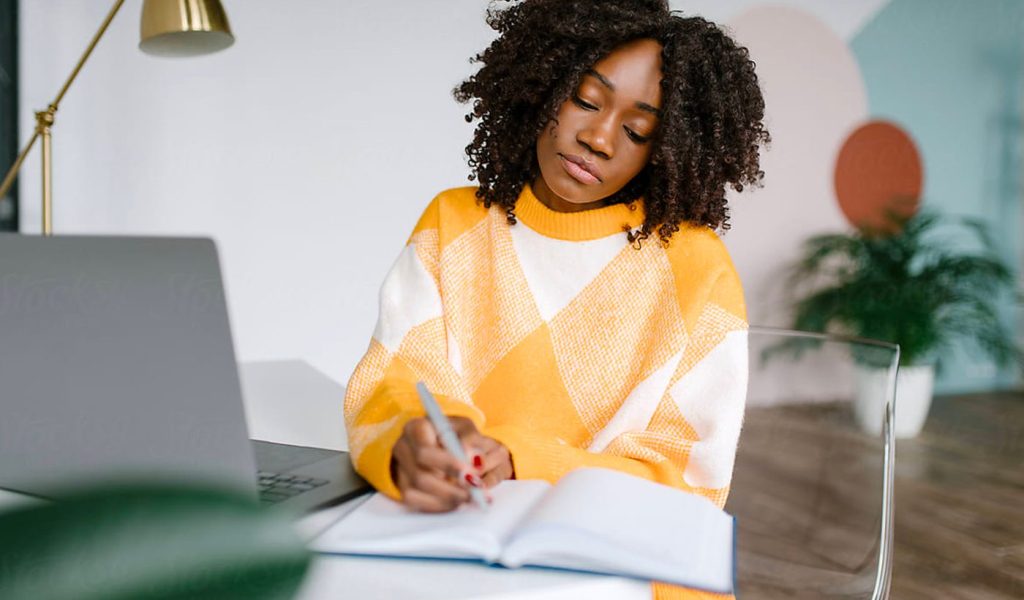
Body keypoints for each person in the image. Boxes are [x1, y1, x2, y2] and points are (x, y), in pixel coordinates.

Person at [344, 1, 768, 597]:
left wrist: (521, 456)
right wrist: (413, 443)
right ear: (542, 85)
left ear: (665, 145)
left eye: (638, 129)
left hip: (620, 575)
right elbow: (395, 378)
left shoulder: (697, 270)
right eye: (587, 101)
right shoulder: (454, 222)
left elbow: (686, 484)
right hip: (450, 551)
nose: (597, 138)